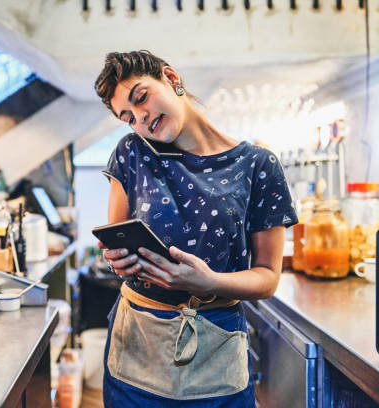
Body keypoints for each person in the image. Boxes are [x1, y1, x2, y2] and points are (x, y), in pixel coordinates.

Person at [94, 50, 298, 407]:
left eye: (141, 98)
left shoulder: (258, 165)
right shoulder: (132, 153)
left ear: (171, 79)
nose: (140, 119)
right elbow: (116, 240)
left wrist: (211, 282)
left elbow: (267, 277)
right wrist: (117, 260)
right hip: (137, 344)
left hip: (218, 344)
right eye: (128, 117)